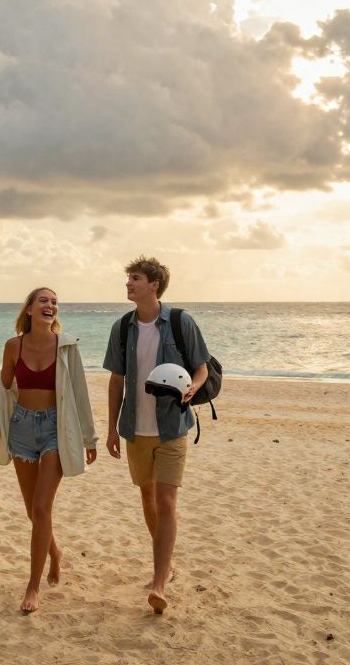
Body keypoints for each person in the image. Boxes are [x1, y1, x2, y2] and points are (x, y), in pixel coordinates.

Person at [0, 287, 98, 613]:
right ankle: (55, 552)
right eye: (43, 300)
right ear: (30, 309)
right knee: (33, 511)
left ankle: (32, 587)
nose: (50, 305)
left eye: (54, 302)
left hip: (55, 431)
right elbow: (0, 395)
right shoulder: (12, 346)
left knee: (41, 507)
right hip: (20, 429)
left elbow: (80, 394)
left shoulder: (67, 347)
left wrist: (89, 439)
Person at [103, 256, 210, 615]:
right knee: (147, 499)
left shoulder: (180, 321)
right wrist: (111, 429)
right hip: (136, 428)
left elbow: (201, 366)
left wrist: (194, 387)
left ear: (153, 284)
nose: (128, 284)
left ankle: (160, 582)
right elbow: (117, 379)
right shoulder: (122, 328)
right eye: (128, 278)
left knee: (166, 503)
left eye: (134, 278)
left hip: (172, 428)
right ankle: (167, 564)